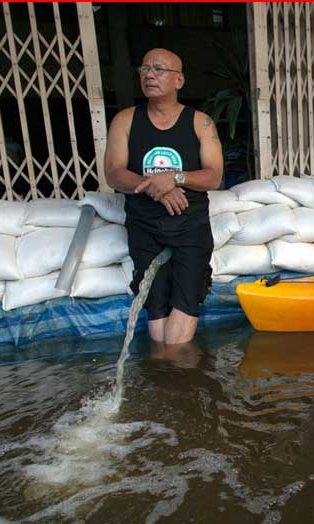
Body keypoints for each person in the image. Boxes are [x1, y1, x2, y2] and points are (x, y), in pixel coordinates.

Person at [104, 48, 223, 345]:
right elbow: (114, 173)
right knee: (154, 304)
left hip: (190, 224)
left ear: (179, 79)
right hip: (144, 224)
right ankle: (166, 374)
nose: (150, 75)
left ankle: (171, 375)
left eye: (159, 69)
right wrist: (158, 187)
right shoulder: (125, 120)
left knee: (186, 299)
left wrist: (176, 177)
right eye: (144, 69)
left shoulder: (200, 122)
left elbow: (214, 176)